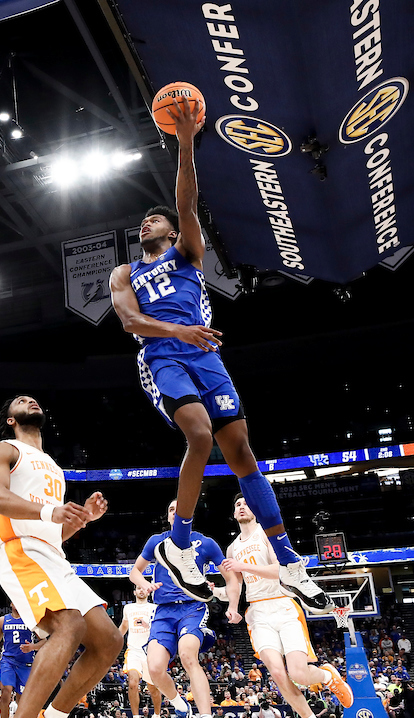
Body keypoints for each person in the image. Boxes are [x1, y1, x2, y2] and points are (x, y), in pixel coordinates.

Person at [107, 96, 329, 613]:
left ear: (172, 232)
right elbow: (131, 322)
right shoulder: (125, 273)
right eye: (143, 222)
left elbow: (186, 203)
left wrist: (185, 144)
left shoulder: (187, 253)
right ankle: (179, 544)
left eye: (154, 220)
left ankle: (288, 560)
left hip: (205, 356)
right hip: (162, 354)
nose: (146, 224)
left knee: (242, 453)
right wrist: (180, 332)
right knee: (201, 436)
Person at [0, 395, 121, 718]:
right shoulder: (3, 449)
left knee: (109, 640)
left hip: (54, 557)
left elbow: (54, 534)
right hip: (21, 551)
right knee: (68, 624)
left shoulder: (55, 469)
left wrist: (83, 518)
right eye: (20, 401)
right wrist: (50, 510)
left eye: (32, 399)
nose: (29, 400)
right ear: (11, 420)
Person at [219, 495, 354, 718]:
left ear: (255, 509)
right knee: (278, 674)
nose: (241, 506)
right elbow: (235, 583)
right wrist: (233, 608)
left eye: (246, 503)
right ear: (234, 514)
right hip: (258, 612)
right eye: (237, 504)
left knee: (299, 674)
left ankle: (328, 676)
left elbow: (280, 570)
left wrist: (242, 565)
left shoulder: (267, 534)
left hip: (283, 604)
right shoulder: (232, 548)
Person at [130, 499, 242, 718]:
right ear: (169, 517)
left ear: (189, 515)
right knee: (154, 668)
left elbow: (231, 578)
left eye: (180, 508)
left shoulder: (206, 543)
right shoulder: (156, 542)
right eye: (171, 509)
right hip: (164, 611)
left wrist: (233, 605)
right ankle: (181, 708)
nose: (175, 512)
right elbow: (135, 572)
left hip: (192, 607)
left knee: (188, 655)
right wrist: (145, 584)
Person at [117, 584, 163, 718]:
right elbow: (123, 627)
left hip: (150, 651)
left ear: (148, 591)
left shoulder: (155, 608)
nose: (141, 590)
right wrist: (113, 642)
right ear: (134, 591)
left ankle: (157, 717)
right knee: (132, 683)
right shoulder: (128, 608)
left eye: (144, 588)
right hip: (133, 651)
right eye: (138, 588)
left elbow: (160, 628)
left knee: (153, 689)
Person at [0, 604, 35, 718]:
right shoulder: (3, 620)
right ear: (11, 604)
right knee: (6, 691)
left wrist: (32, 647)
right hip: (8, 661)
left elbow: (44, 640)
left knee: (22, 699)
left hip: (26, 663)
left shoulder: (31, 619)